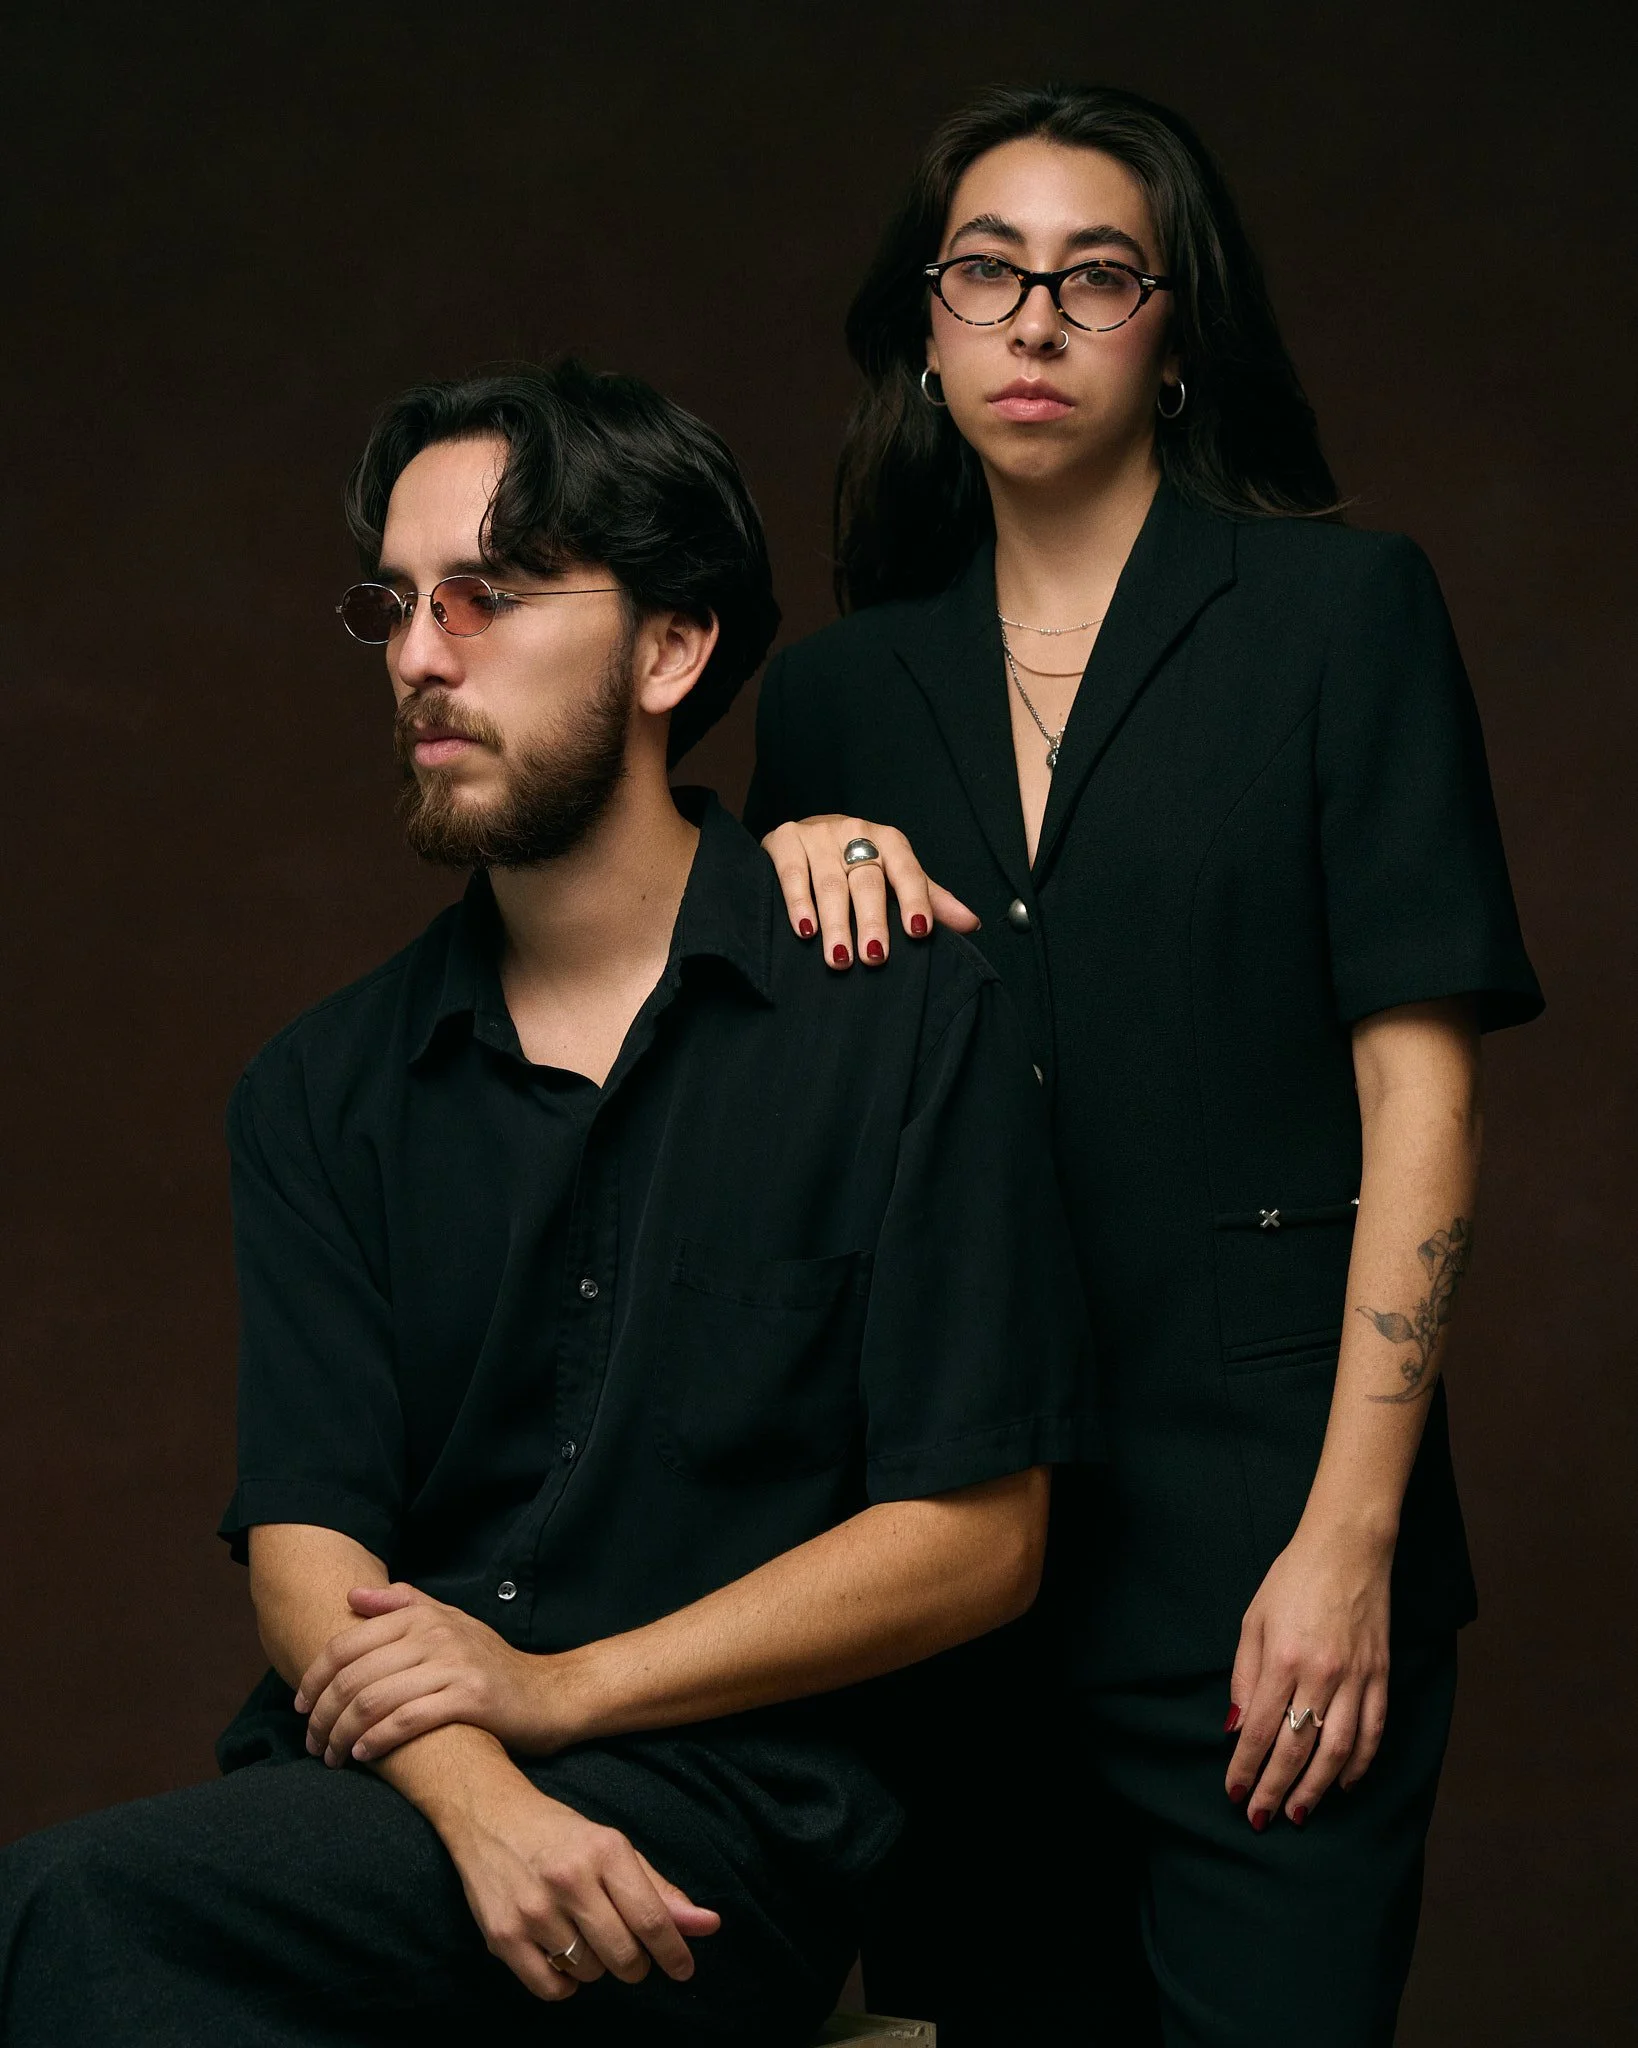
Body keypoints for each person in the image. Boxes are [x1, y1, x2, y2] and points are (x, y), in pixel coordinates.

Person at [0, 362, 1094, 2048]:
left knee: (62, 1917)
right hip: (392, 1789)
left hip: (724, 1823)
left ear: (670, 649)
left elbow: (975, 1542)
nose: (418, 659)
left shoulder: (896, 1019)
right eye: (394, 604)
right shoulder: (319, 1091)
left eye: (486, 598)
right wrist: (480, 1795)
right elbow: (307, 1543)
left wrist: (558, 1693)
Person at [746, 83, 1543, 2048]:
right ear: (924, 329)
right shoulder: (838, 698)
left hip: (1272, 1559)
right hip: (948, 1581)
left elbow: (1423, 1096)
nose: (1035, 320)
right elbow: (772, 1121)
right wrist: (769, 866)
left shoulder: (1339, 616)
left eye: (1095, 275)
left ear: (1174, 331)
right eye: (985, 272)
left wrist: (1349, 1541)